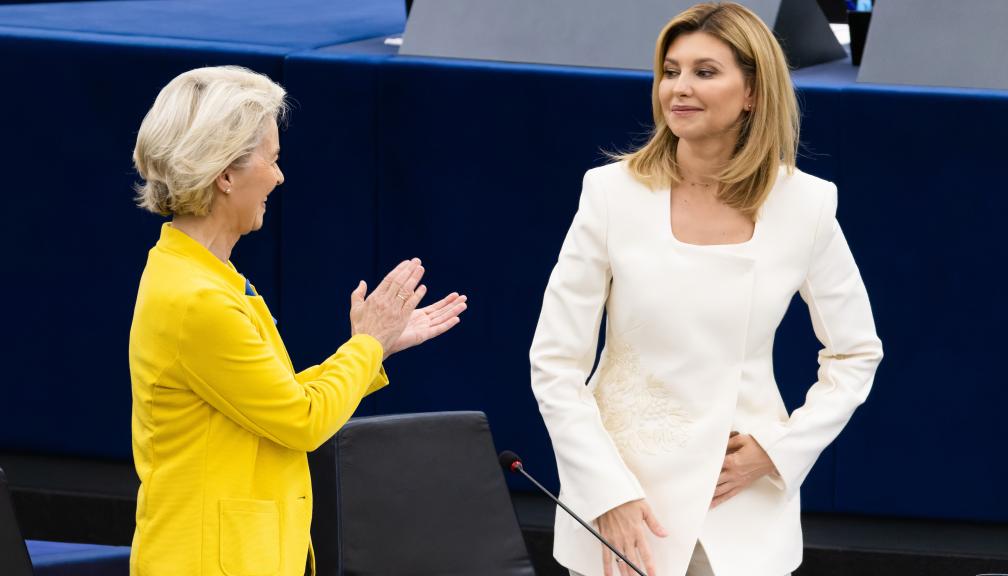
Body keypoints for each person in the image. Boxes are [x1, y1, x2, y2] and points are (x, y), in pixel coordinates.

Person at [529, 4, 882, 576]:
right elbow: (555, 363)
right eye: (671, 71)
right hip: (625, 499)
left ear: (753, 93)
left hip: (738, 503)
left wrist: (777, 450)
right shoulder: (610, 193)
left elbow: (856, 352)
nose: (679, 88)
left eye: (705, 72)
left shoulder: (806, 204)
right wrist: (605, 492)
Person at [127, 66, 467, 576]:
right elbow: (302, 420)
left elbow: (273, 402)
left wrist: (374, 346)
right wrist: (367, 345)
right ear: (225, 175)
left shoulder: (201, 276)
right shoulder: (198, 300)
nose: (279, 177)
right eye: (272, 159)